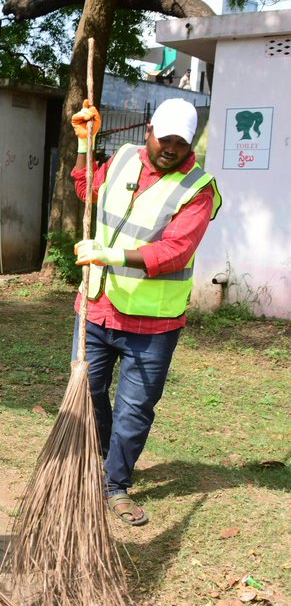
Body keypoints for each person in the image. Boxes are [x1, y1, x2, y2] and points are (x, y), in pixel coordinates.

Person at [70, 97, 222, 526]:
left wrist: (111, 254)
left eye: (180, 142)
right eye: (164, 138)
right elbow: (87, 192)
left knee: (135, 408)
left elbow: (175, 251)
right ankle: (96, 456)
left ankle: (114, 484)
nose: (170, 148)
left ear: (189, 143)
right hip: (96, 307)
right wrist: (85, 144)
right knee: (87, 393)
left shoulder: (199, 187)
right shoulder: (121, 158)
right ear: (148, 131)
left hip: (152, 325)